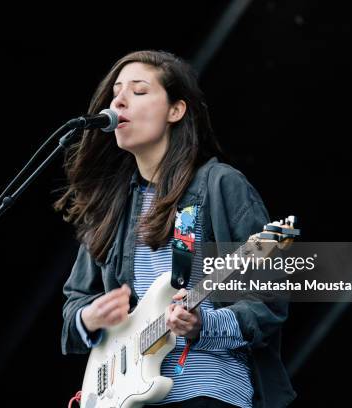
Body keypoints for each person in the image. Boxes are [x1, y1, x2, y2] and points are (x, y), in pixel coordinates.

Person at [55, 50, 296, 408]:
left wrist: (203, 325)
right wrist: (89, 317)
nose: (118, 100)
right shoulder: (111, 206)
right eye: (116, 91)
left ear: (176, 110)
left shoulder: (220, 184)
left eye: (138, 91)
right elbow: (75, 303)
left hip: (209, 388)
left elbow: (269, 296)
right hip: (130, 393)